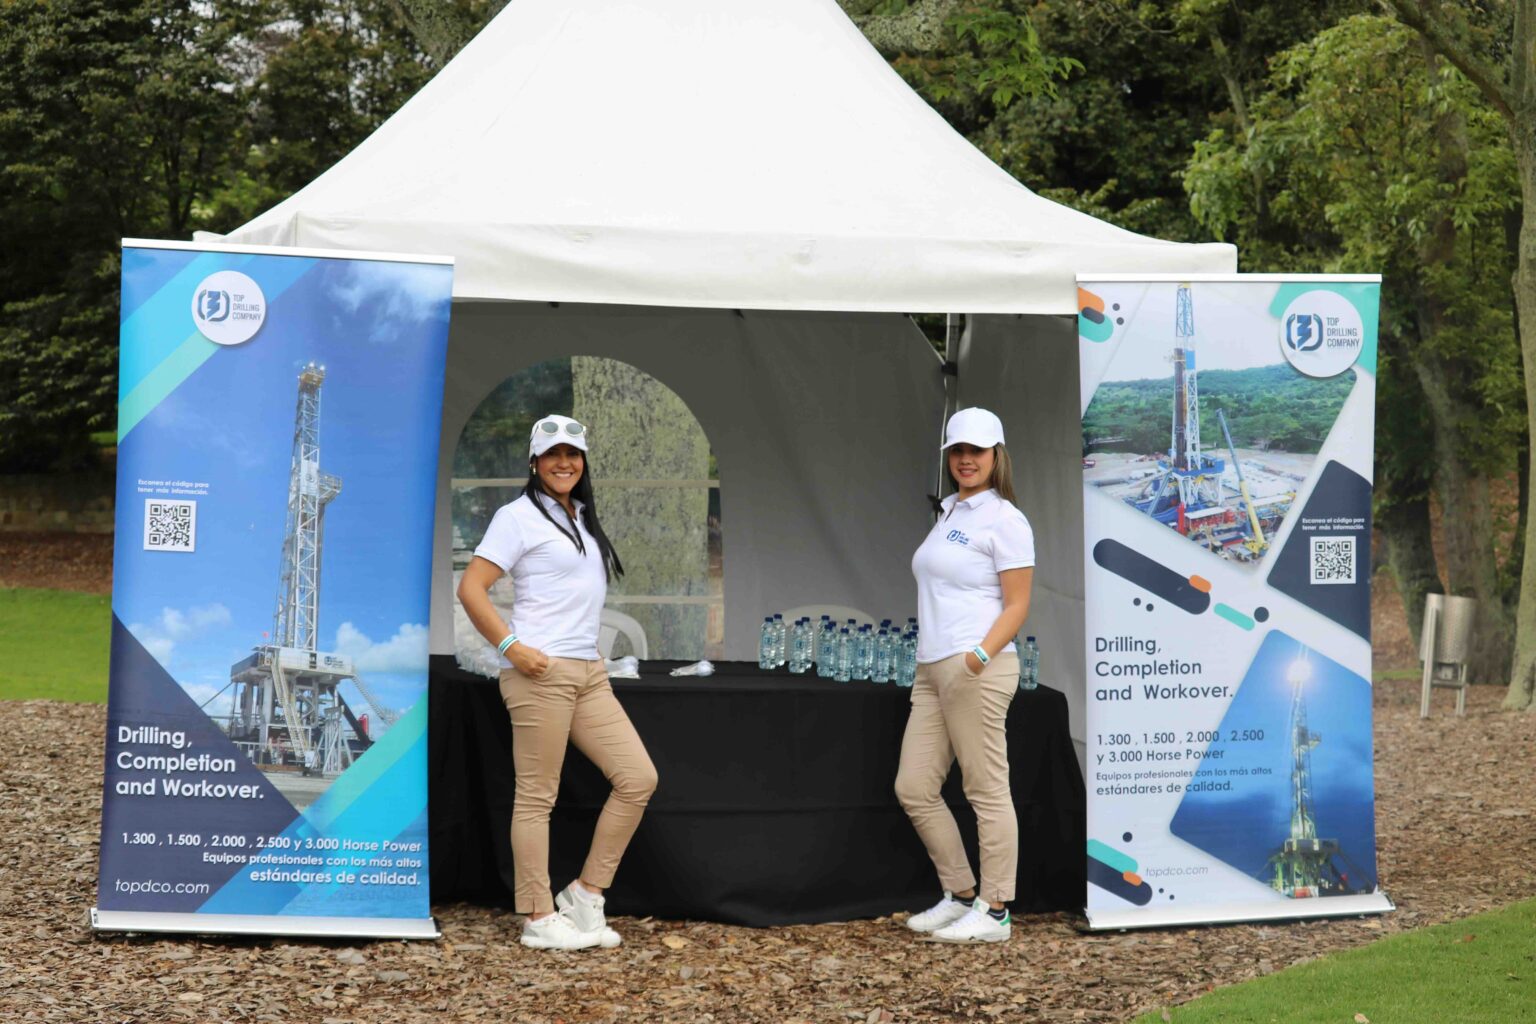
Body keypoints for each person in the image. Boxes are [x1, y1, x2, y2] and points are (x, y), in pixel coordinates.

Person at [457, 414, 658, 951]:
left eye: (572, 454)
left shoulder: (581, 516)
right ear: (534, 462)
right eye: (552, 455)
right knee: (536, 797)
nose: (563, 463)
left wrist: (590, 654)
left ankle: (586, 894)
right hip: (539, 673)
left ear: (583, 461)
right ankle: (538, 916)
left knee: (638, 778)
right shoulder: (516, 517)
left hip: (588, 672)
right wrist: (511, 647)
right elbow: (471, 588)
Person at [896, 407, 1034, 943]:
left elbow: (1018, 605)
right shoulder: (951, 511)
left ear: (996, 455)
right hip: (933, 667)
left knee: (986, 790)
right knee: (914, 787)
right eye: (957, 450)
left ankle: (995, 910)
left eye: (976, 450)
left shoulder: (1005, 519)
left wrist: (977, 658)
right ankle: (959, 894)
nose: (966, 459)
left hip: (977, 667)